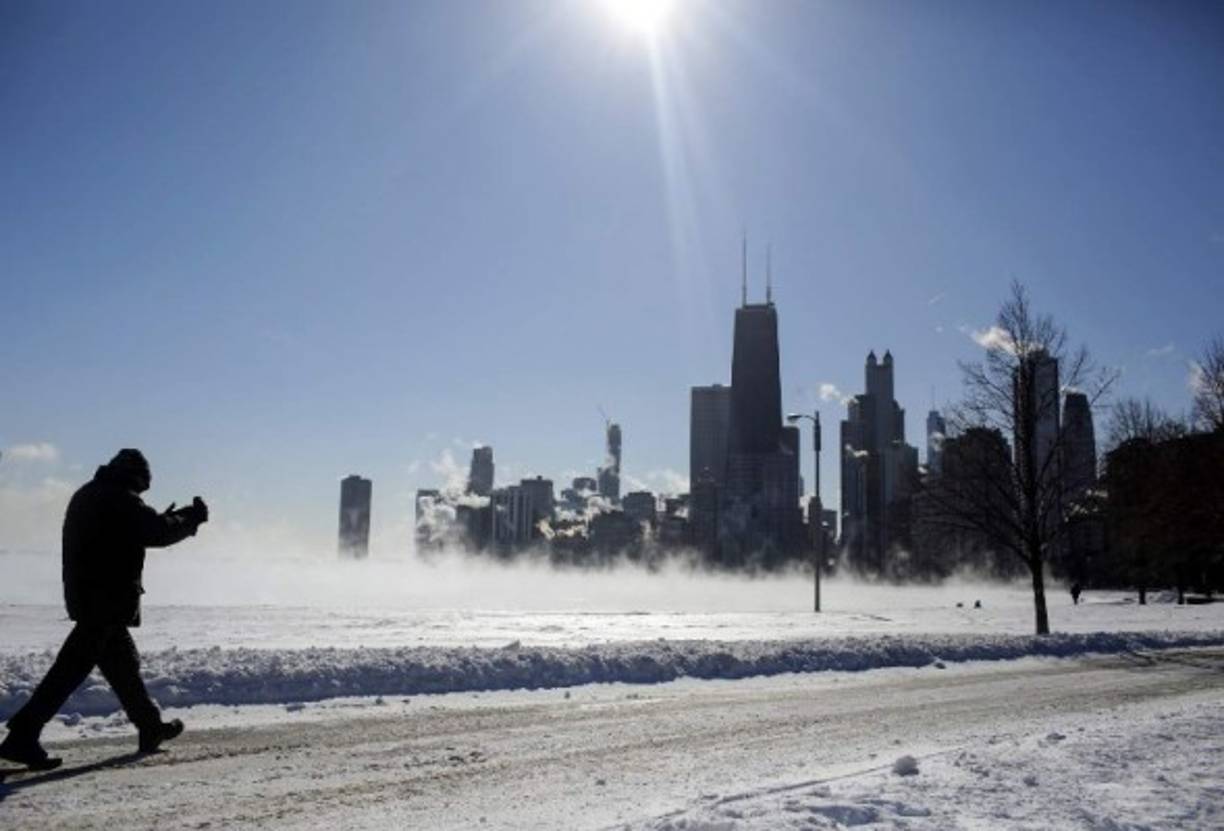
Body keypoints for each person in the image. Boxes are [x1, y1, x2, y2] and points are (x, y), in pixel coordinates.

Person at [0, 449, 208, 770]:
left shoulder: (92, 493)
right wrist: (190, 518)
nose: (140, 492)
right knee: (68, 672)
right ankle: (22, 736)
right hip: (104, 601)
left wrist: (168, 518)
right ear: (136, 477)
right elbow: (155, 531)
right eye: (141, 487)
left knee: (124, 666)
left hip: (92, 598)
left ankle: (150, 726)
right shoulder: (118, 498)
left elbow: (142, 525)